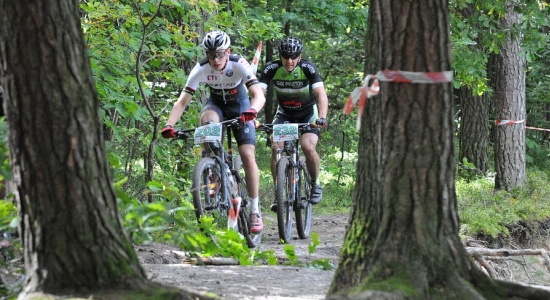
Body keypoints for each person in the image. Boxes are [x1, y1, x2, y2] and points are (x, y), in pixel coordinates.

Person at [160, 30, 266, 233]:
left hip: (241, 106)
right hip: (216, 105)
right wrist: (169, 124)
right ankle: (213, 167)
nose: (216, 59)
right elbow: (182, 101)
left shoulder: (239, 64)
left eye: (220, 54)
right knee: (207, 122)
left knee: (246, 154)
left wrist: (252, 110)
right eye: (211, 55)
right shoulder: (200, 68)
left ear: (228, 51)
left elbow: (258, 95)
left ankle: (254, 209)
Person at [258, 36, 328, 211]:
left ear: (299, 56)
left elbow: (320, 94)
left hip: (307, 114)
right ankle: (278, 192)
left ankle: (315, 182)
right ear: (280, 55)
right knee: (276, 146)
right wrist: (252, 114)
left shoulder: (308, 68)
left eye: (293, 57)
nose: (289, 61)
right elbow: (259, 93)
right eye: (285, 57)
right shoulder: (272, 68)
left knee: (308, 147)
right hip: (285, 114)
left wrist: (323, 117)